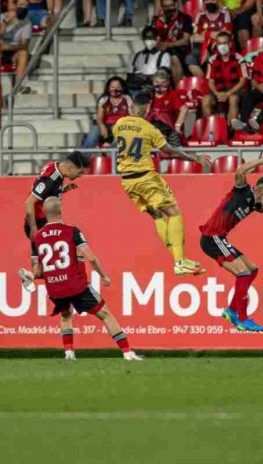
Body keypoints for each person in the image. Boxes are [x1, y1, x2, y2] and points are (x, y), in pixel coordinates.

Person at [26, 197, 143, 361]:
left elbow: (38, 271)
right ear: (60, 211)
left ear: (44, 213)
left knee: (65, 315)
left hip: (55, 288)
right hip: (76, 285)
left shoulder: (36, 238)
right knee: (105, 314)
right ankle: (127, 352)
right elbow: (91, 257)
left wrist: (32, 275)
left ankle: (69, 353)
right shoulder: (71, 231)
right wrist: (103, 275)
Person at [112, 91, 210, 276]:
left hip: (127, 180)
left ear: (132, 106)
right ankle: (179, 261)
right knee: (174, 213)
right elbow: (170, 151)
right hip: (145, 177)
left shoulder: (119, 124)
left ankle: (179, 259)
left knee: (158, 216)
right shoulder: (149, 129)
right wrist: (194, 158)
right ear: (148, 107)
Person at [199, 154, 263, 332]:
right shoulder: (243, 190)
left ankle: (231, 310)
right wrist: (262, 161)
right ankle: (242, 319)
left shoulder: (255, 203)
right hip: (212, 237)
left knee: (252, 270)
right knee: (243, 273)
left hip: (219, 238)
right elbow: (240, 170)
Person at [18, 151, 90, 292]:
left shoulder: (55, 168)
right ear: (70, 168)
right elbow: (29, 203)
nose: (80, 177)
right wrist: (35, 231)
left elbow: (46, 194)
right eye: (79, 172)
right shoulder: (50, 179)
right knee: (63, 258)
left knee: (50, 265)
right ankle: (76, 286)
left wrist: (62, 190)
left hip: (42, 223)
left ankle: (30, 276)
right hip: (39, 225)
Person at [203, 31, 247, 127]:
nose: (222, 46)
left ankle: (231, 129)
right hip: (218, 91)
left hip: (235, 90)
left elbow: (243, 81)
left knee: (233, 98)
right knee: (206, 100)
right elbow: (210, 81)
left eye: (225, 43)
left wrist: (228, 93)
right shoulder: (212, 60)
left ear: (230, 44)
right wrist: (216, 94)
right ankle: (213, 128)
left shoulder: (239, 58)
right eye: (219, 44)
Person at [83, 77, 133, 149]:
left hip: (122, 126)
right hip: (107, 125)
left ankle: (112, 153)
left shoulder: (127, 98)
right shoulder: (104, 99)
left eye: (118, 87)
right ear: (108, 88)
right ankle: (83, 156)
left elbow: (132, 116)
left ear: (122, 88)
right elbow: (99, 117)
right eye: (112, 87)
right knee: (95, 130)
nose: (115, 89)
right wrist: (102, 126)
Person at [151, 0, 194, 83]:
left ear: (176, 4)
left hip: (181, 50)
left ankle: (178, 89)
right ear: (162, 7)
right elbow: (156, 38)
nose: (169, 8)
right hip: (163, 49)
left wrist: (168, 45)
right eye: (166, 6)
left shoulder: (185, 18)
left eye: (170, 5)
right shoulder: (160, 20)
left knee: (173, 58)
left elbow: (185, 41)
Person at [187, 0, 234, 77]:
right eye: (207, 0)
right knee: (190, 58)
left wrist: (205, 33)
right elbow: (194, 38)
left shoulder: (224, 14)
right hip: (202, 48)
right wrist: (213, 34)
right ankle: (205, 83)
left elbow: (228, 35)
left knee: (219, 53)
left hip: (220, 46)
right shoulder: (200, 15)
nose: (210, 2)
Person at [148, 70, 189, 147]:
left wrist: (178, 126)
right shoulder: (148, 95)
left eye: (163, 83)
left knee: (173, 137)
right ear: (153, 82)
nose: (160, 85)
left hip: (169, 129)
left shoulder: (172, 95)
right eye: (157, 82)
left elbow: (184, 109)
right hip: (151, 129)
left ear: (168, 82)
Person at [131, 26, 172, 92]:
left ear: (157, 38)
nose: (149, 40)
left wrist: (146, 78)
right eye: (146, 38)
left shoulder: (164, 55)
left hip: (157, 88)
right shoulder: (138, 55)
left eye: (151, 38)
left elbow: (162, 75)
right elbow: (135, 72)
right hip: (140, 87)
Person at [0, 5, 31, 92]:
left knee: (24, 52)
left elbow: (24, 44)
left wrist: (10, 47)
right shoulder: (2, 17)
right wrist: (5, 22)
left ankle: (18, 86)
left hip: (14, 50)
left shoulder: (27, 22)